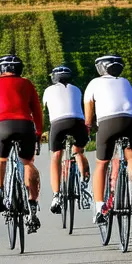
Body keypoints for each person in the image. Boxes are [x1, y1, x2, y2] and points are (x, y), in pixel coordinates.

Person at [0, 53, 44, 233]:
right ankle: (32, 205)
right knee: (27, 163)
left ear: (0, 70)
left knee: (0, 160)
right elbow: (37, 110)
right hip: (25, 125)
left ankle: (0, 192)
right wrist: (38, 132)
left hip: (2, 127)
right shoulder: (27, 84)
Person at [84, 53, 132, 223]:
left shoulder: (94, 83)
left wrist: (89, 127)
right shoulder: (125, 82)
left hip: (108, 123)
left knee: (102, 164)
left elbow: (88, 114)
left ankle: (99, 208)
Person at [42, 65, 92, 214]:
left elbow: (45, 111)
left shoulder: (48, 91)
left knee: (56, 156)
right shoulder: (76, 89)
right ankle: (84, 186)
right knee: (78, 152)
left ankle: (56, 195)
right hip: (77, 122)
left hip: (58, 124)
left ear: (54, 78)